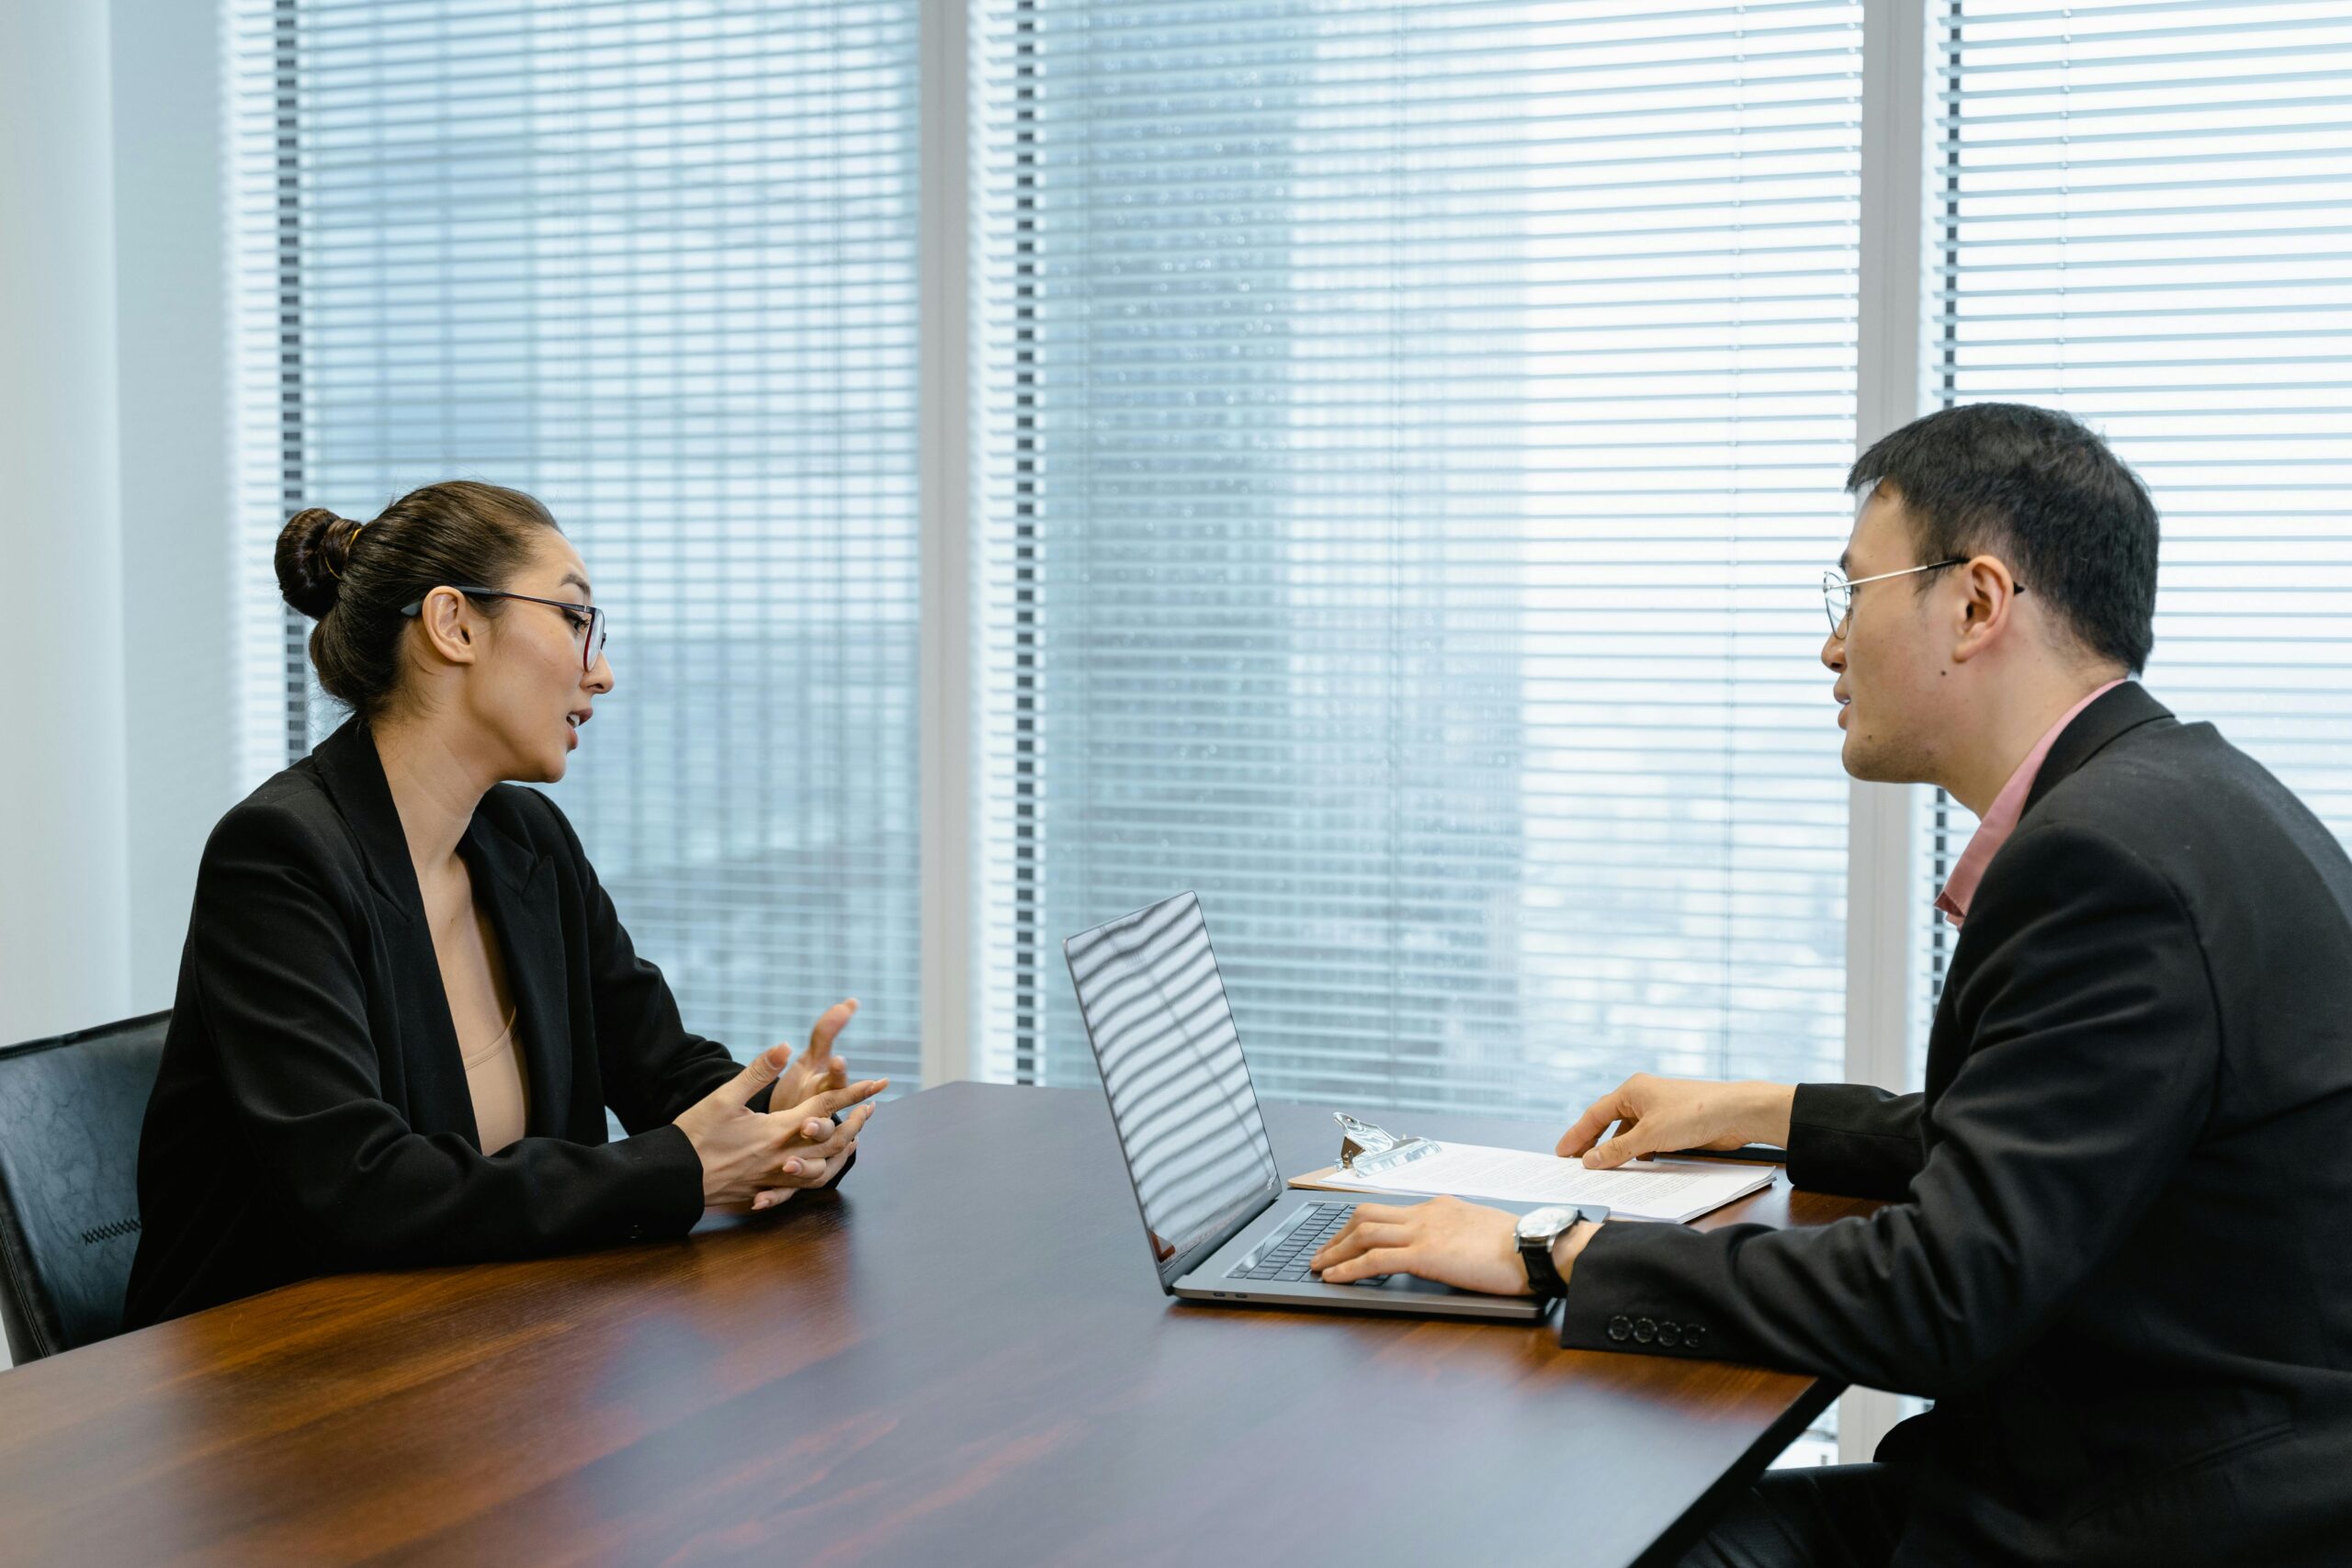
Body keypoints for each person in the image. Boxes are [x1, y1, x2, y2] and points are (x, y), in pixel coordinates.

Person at [1309, 403, 2352, 1563]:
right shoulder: (2193, 797)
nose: (1829, 645)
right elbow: (2057, 1150)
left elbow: (1939, 1297)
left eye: (1851, 593)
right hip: (2183, 1477)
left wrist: (1549, 1249)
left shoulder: (2102, 862)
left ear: (1974, 603)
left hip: (2146, 1521)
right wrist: (1766, 1113)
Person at [125, 480, 884, 1328]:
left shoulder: (528, 840)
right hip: (283, 1381)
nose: (601, 669)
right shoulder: (278, 855)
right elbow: (359, 1187)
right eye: (572, 617)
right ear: (454, 625)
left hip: (491, 1340)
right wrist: (680, 1170)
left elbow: (664, 1071)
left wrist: (785, 1123)